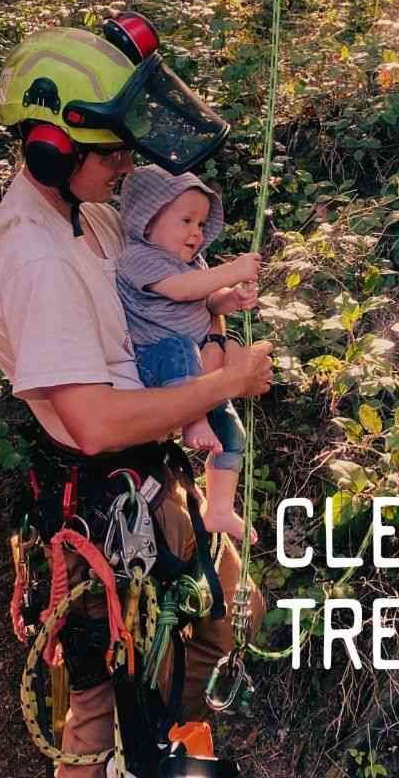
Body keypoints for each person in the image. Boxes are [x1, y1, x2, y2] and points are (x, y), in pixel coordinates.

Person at [0, 21, 271, 778]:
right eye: (111, 149)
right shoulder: (35, 260)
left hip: (150, 479)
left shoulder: (90, 216)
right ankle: (129, 760)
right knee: (100, 700)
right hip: (97, 507)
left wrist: (207, 304)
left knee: (221, 625)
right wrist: (223, 385)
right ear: (50, 146)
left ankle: (178, 752)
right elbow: (94, 423)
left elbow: (155, 287)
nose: (127, 164)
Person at [117, 165, 261, 544]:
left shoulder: (192, 263)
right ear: (147, 223)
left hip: (200, 368)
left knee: (233, 435)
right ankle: (192, 420)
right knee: (179, 347)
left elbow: (206, 297)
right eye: (186, 220)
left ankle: (219, 508)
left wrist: (231, 298)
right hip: (161, 364)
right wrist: (232, 270)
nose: (196, 233)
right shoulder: (138, 257)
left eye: (201, 224)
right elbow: (183, 290)